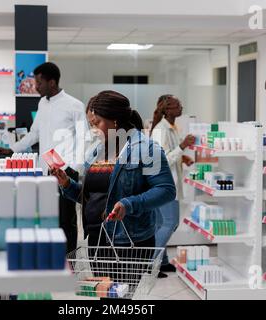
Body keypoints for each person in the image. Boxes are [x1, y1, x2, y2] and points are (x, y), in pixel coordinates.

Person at [51, 90, 176, 257]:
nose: (93, 130)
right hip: (96, 240)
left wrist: (129, 204)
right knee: (102, 284)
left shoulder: (147, 148)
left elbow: (166, 190)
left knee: (125, 285)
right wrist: (67, 184)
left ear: (115, 121)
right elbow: (93, 196)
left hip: (130, 242)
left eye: (97, 123)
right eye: (91, 125)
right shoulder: (96, 151)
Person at [0, 62, 88, 253]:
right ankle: (52, 258)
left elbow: (83, 139)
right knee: (47, 217)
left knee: (66, 220)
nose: (36, 87)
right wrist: (13, 149)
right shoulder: (42, 103)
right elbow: (34, 134)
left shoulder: (74, 105)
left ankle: (69, 261)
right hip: (44, 170)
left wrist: (75, 170)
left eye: (39, 83)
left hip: (65, 172)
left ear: (52, 82)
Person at [150, 95, 195, 277]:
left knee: (161, 224)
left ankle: (162, 261)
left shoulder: (171, 128)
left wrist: (182, 157)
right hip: (164, 184)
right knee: (170, 223)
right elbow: (162, 161)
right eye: (177, 105)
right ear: (167, 109)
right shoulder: (161, 130)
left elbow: (170, 153)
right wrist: (183, 147)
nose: (180, 107)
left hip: (167, 183)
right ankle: (151, 264)